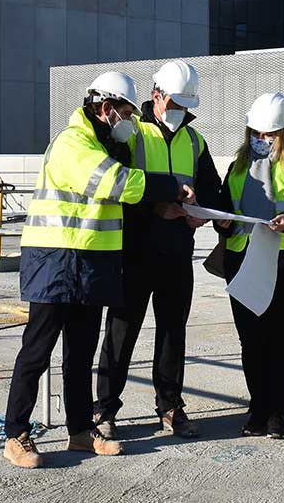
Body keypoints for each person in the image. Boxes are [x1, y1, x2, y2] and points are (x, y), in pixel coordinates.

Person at [2, 71, 195, 469]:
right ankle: (16, 433)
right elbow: (115, 183)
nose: (131, 121)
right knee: (37, 350)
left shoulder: (104, 141)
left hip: (91, 262)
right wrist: (170, 185)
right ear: (106, 109)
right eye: (126, 112)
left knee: (81, 352)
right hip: (56, 259)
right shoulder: (74, 142)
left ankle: (79, 431)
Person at [94, 60, 224, 439]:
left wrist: (202, 210)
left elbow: (211, 187)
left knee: (172, 332)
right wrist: (155, 207)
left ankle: (170, 405)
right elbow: (116, 189)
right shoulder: (130, 135)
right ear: (156, 96)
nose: (181, 112)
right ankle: (105, 410)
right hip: (134, 251)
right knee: (121, 333)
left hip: (178, 251)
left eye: (186, 105)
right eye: (175, 103)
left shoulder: (195, 141)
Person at [214, 93, 284, 440]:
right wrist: (222, 223)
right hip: (242, 258)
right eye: (256, 134)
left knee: (276, 336)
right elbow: (222, 203)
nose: (262, 140)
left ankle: (277, 413)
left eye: (269, 135)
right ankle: (258, 407)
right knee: (251, 339)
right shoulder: (239, 164)